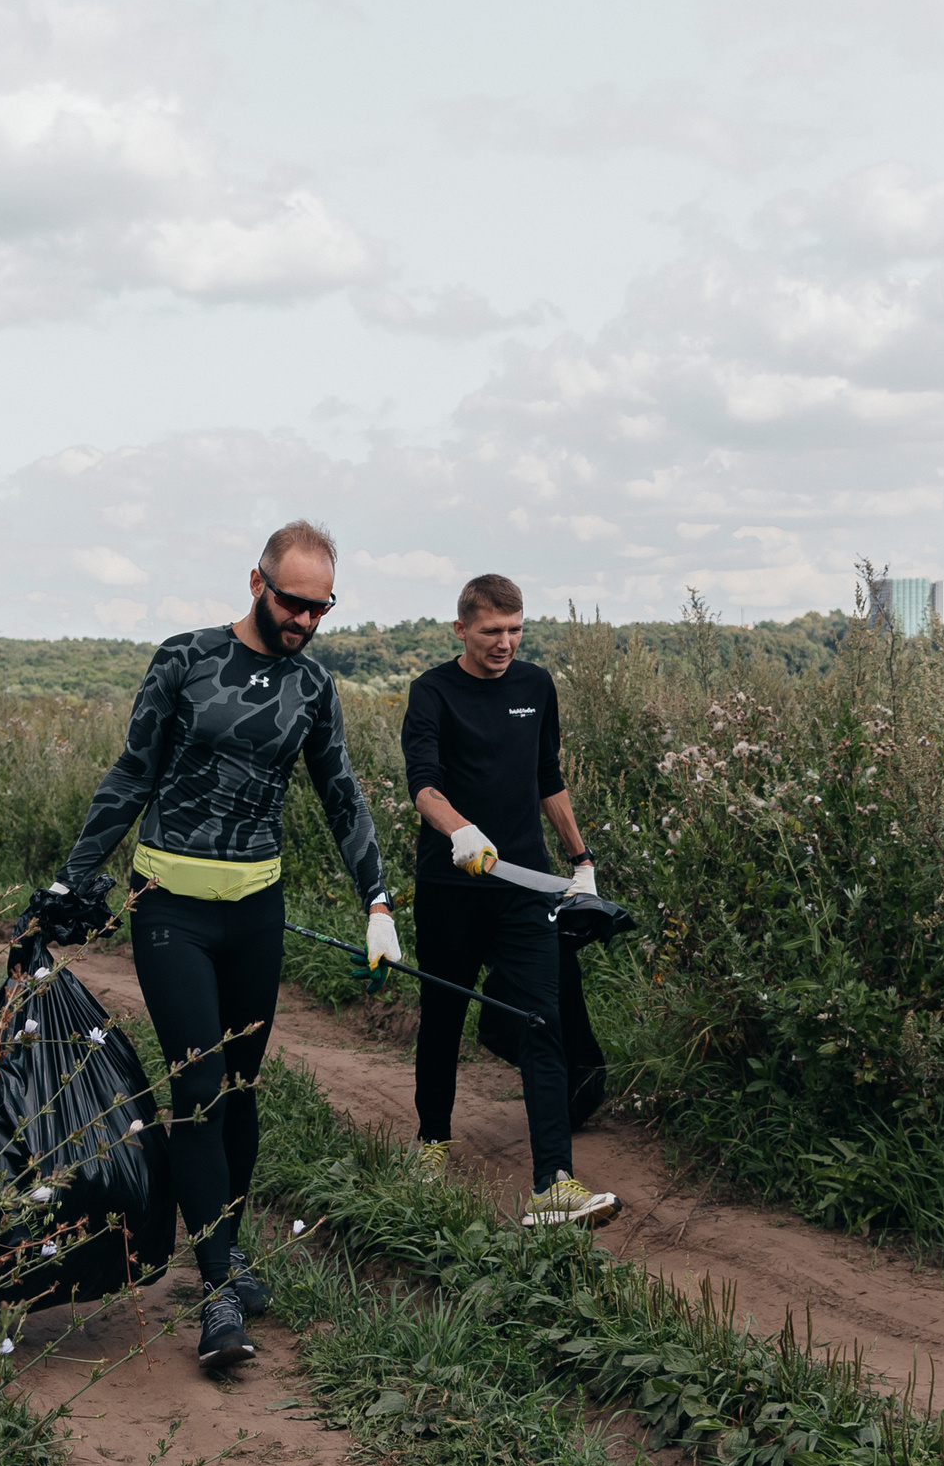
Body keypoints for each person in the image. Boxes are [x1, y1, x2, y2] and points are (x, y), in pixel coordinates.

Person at [39, 520, 401, 1368]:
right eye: (293, 602)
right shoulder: (185, 659)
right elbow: (133, 771)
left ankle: (225, 1249)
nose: (305, 620)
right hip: (171, 909)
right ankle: (215, 1294)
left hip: (256, 912)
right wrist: (74, 876)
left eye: (322, 608)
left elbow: (340, 792)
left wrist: (378, 901)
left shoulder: (314, 686)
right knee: (198, 1089)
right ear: (256, 582)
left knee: (239, 1089)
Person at [401, 574, 620, 1229]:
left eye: (516, 629)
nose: (505, 643)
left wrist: (581, 862)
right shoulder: (432, 691)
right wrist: (459, 831)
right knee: (443, 1017)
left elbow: (547, 777)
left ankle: (553, 1184)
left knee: (543, 1022)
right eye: (492, 630)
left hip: (525, 889)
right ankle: (431, 1141)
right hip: (450, 889)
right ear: (461, 629)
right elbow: (423, 785)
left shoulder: (536, 685)